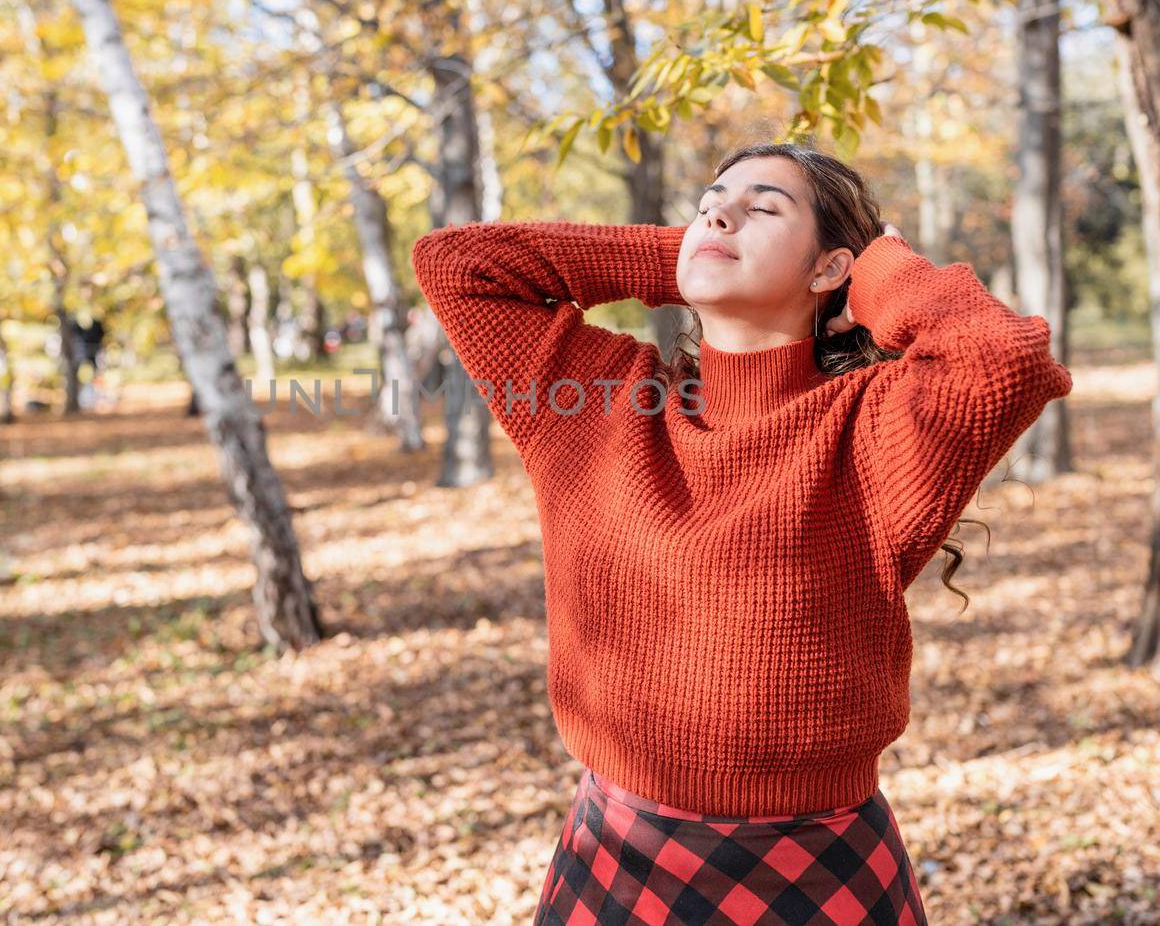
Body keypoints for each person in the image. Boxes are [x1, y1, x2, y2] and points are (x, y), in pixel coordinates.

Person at [410, 140, 1073, 925]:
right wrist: (693, 252)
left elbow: (1005, 358)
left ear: (830, 270)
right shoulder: (596, 405)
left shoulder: (874, 429)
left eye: (764, 208)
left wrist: (880, 265)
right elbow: (459, 264)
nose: (719, 212)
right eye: (709, 202)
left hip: (818, 863)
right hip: (618, 854)